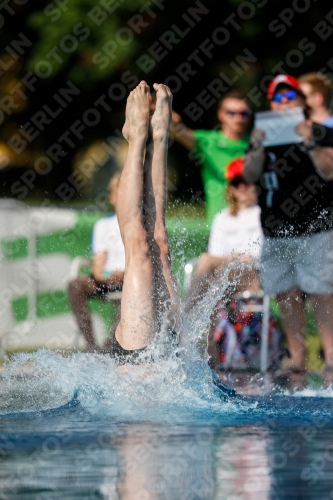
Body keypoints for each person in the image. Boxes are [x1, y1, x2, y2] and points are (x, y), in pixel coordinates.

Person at [244, 74, 333, 388]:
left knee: (322, 294)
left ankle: (332, 363)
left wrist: (309, 141)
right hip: (276, 229)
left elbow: (328, 170)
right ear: (270, 103)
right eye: (277, 98)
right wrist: (255, 145)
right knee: (287, 296)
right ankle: (298, 364)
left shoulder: (319, 131)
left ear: (301, 100)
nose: (284, 102)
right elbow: (249, 174)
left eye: (289, 96)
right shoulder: (263, 136)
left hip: (316, 226)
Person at [185, 158, 263, 367]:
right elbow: (218, 254)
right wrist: (233, 258)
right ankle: (207, 354)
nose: (244, 188)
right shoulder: (223, 217)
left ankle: (182, 316)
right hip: (227, 275)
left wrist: (230, 259)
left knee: (207, 266)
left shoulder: (262, 214)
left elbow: (255, 256)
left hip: (254, 277)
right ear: (232, 188)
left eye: (248, 182)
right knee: (209, 280)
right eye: (238, 183)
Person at [170, 91, 251, 224]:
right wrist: (168, 117)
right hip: (220, 223)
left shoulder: (258, 143)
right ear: (221, 115)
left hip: (254, 222)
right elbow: (180, 133)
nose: (238, 118)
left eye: (244, 113)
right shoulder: (209, 141)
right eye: (232, 113)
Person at [68, 173, 125, 353]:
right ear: (112, 197)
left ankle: (110, 346)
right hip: (107, 279)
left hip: (132, 280)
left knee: (133, 292)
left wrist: (126, 275)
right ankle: (91, 346)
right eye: (119, 192)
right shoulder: (103, 225)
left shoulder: (141, 224)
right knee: (75, 285)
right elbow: (99, 268)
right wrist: (107, 276)